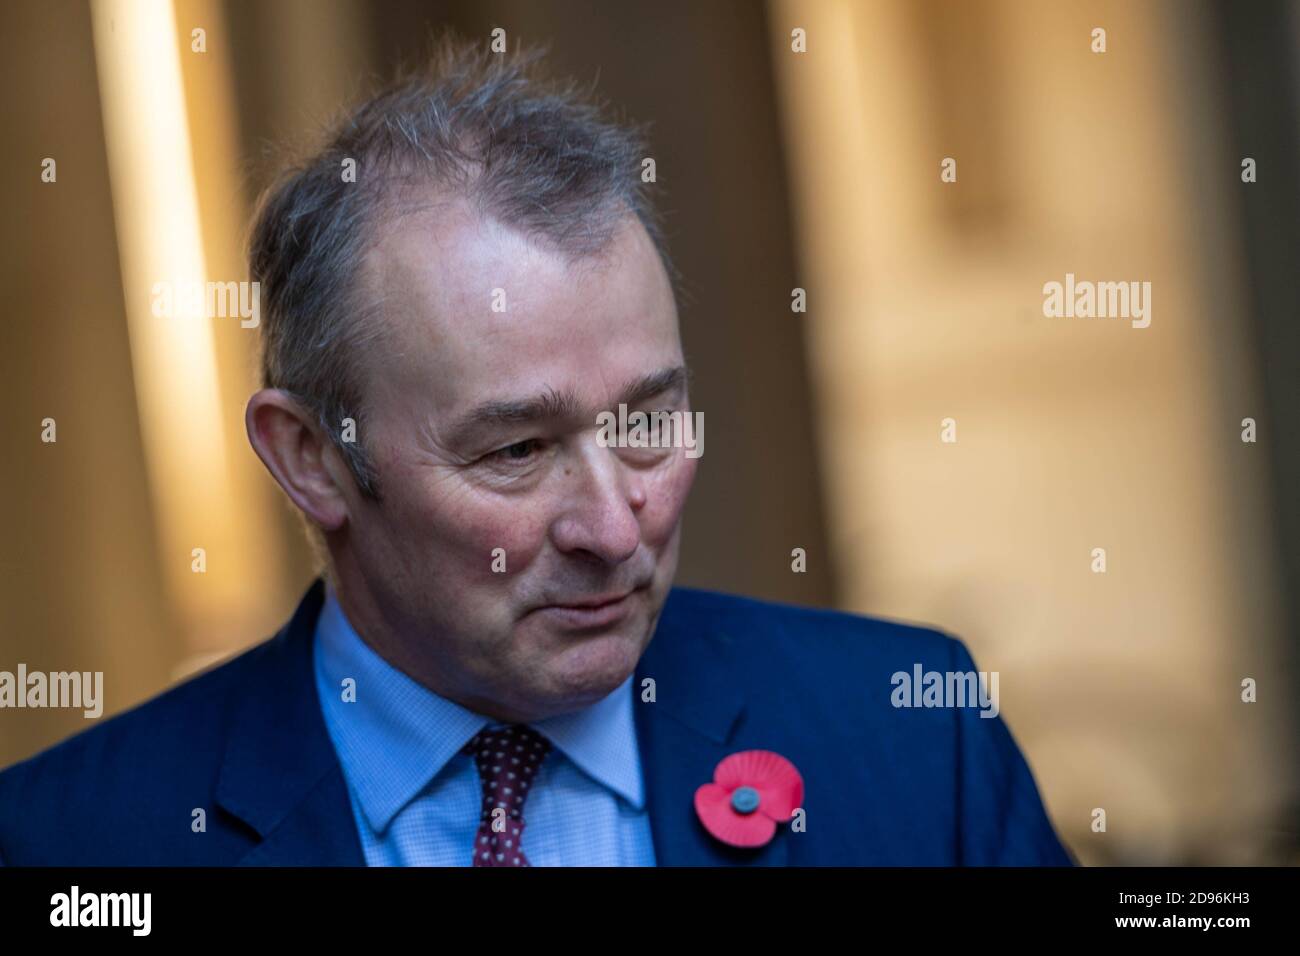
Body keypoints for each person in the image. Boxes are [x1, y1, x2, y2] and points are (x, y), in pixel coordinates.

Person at [0, 36, 1072, 867]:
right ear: (311, 457)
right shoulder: (75, 842)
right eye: (516, 448)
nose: (615, 527)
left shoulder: (910, 737)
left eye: (646, 422)